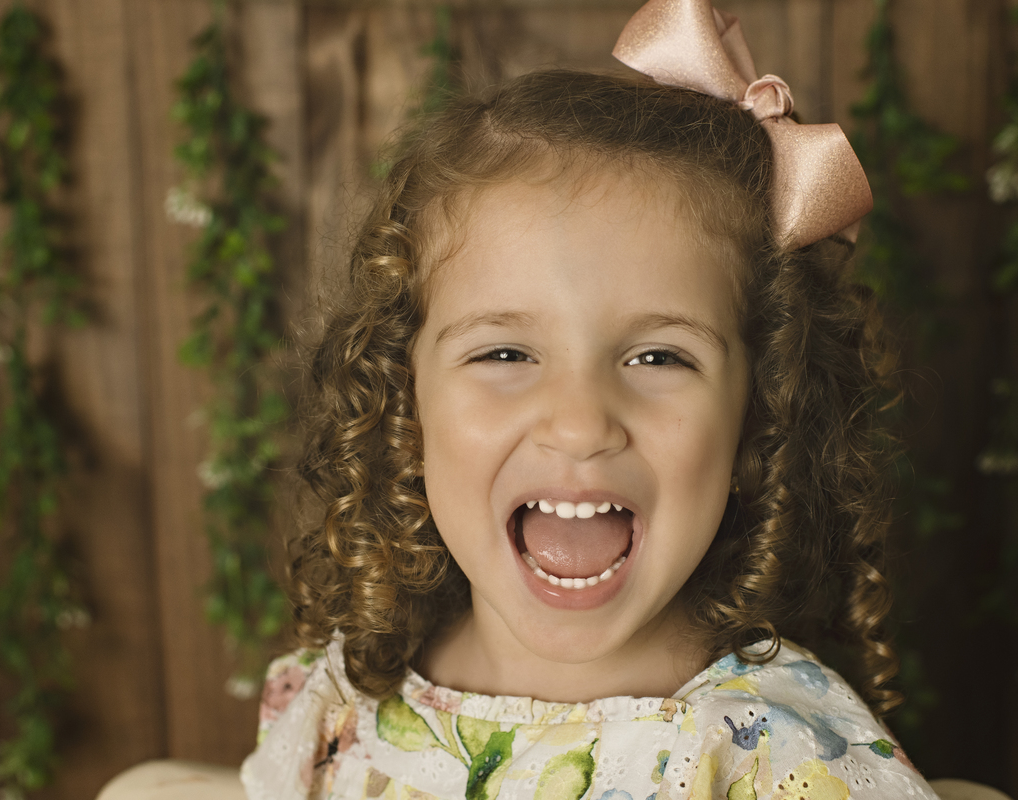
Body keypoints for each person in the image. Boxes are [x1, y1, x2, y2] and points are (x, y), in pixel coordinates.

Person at [242, 1, 937, 798]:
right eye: (504, 352)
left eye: (658, 356)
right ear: (406, 399)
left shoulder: (781, 757)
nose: (579, 424)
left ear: (760, 412)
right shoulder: (336, 704)